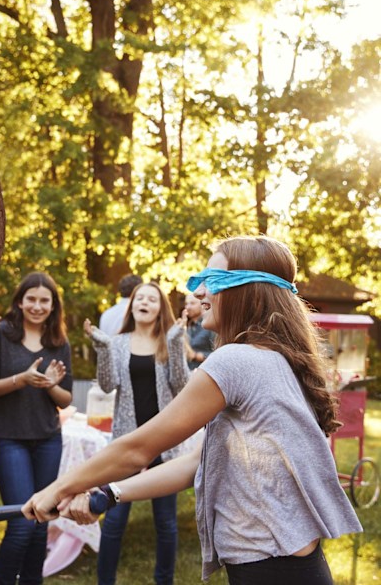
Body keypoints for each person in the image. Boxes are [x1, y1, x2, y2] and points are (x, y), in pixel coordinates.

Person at [23, 236, 363, 585]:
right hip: (291, 568)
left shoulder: (236, 361)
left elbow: (138, 449)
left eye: (212, 281)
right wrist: (107, 495)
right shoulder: (276, 358)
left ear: (248, 290)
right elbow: (195, 463)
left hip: (271, 570)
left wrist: (57, 488)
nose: (200, 292)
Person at [84, 281, 190, 585]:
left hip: (164, 444)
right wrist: (103, 348)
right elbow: (107, 385)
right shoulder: (118, 342)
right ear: (132, 305)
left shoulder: (169, 339)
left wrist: (175, 343)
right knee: (115, 520)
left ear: (160, 308)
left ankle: (164, 581)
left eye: (151, 299)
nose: (144, 302)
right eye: (139, 298)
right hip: (127, 444)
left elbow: (181, 387)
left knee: (166, 523)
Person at [0, 272, 73, 584]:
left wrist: (48, 385)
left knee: (41, 522)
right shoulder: (1, 335)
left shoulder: (59, 342)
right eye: (31, 299)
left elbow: (65, 397)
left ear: (53, 305)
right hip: (9, 439)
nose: (37, 305)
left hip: (48, 438)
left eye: (44, 300)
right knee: (21, 524)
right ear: (20, 302)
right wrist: (23, 378)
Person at [182, 293, 215, 370]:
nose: (188, 307)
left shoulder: (210, 326)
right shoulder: (187, 327)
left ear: (202, 304)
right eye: (186, 304)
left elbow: (221, 355)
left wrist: (196, 356)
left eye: (192, 303)